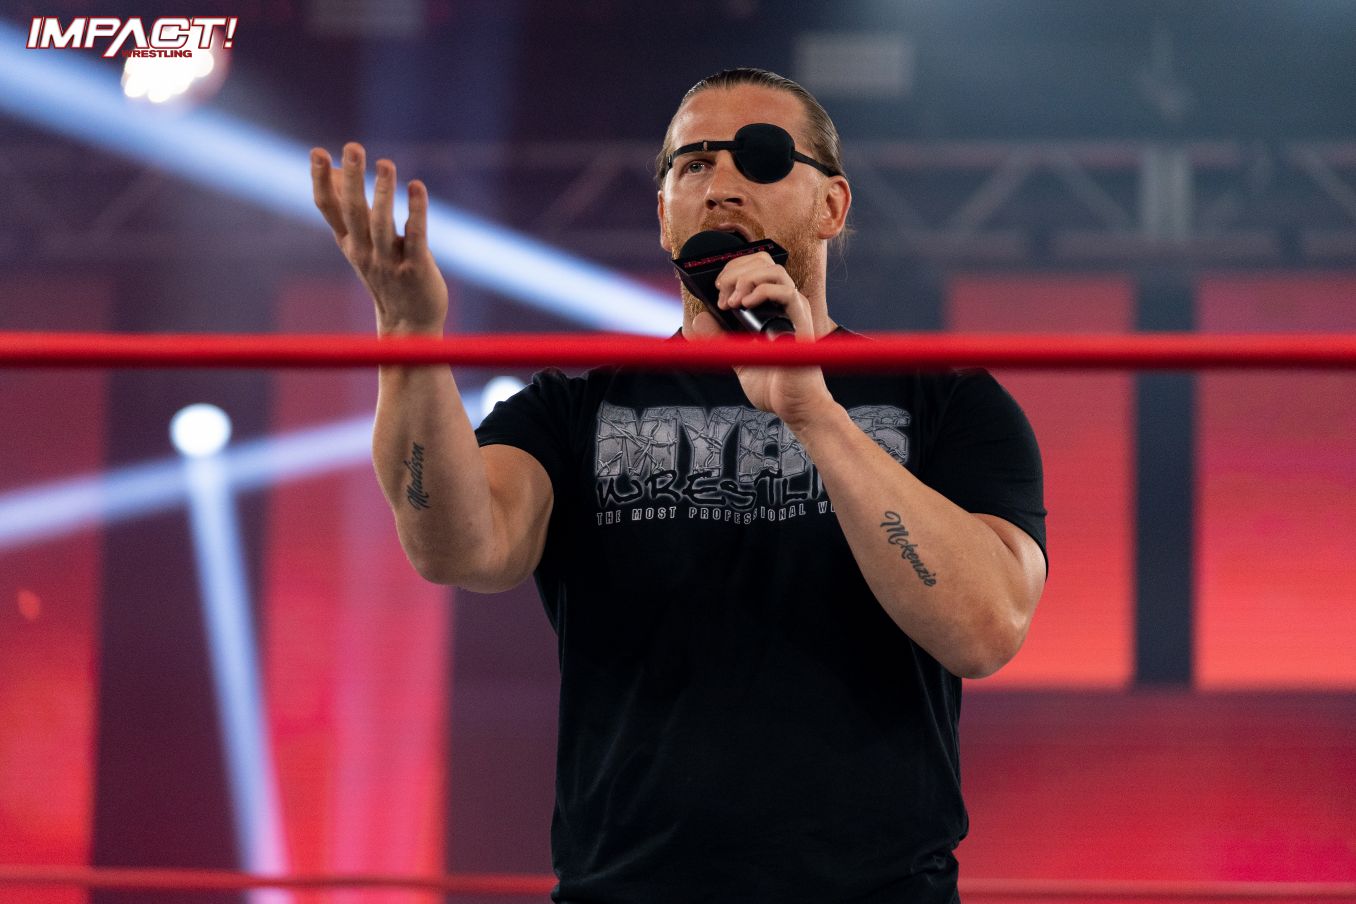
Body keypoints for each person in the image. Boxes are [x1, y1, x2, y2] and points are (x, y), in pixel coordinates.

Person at [311, 67, 1047, 904]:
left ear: (832, 205)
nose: (720, 184)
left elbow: (986, 628)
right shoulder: (573, 411)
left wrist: (814, 415)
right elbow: (454, 546)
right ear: (663, 213)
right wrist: (410, 336)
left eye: (760, 158)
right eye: (692, 164)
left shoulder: (946, 400)